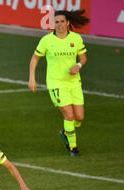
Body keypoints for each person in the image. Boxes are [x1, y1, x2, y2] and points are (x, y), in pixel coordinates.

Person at [28, 10, 89, 157]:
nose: (59, 24)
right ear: (53, 24)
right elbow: (35, 58)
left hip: (74, 83)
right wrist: (32, 78)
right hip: (56, 83)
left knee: (79, 117)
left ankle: (66, 132)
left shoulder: (76, 38)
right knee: (69, 115)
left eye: (62, 21)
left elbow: (83, 58)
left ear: (68, 23)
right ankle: (73, 147)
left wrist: (78, 66)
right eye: (56, 22)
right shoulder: (47, 41)